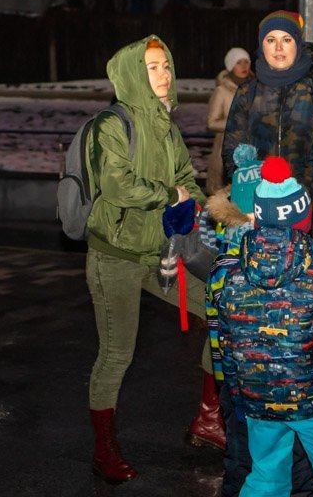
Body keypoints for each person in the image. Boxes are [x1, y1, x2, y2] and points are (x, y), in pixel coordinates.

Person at [84, 35, 216, 484]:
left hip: (161, 252)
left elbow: (187, 180)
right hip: (116, 256)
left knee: (222, 315)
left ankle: (209, 418)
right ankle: (104, 448)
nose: (163, 75)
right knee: (116, 354)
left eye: (165, 66)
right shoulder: (111, 126)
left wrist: (193, 201)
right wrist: (169, 196)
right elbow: (119, 188)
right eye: (151, 67)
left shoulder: (166, 125)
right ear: (130, 74)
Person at [218, 156, 313, 497]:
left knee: (266, 473)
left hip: (258, 398)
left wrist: (240, 396)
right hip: (312, 400)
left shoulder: (234, 276)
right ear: (303, 220)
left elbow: (228, 344)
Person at [204, 145, 313, 497]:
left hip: (234, 379)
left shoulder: (225, 256)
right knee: (278, 463)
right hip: (261, 379)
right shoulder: (241, 266)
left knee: (245, 460)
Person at [223, 10, 313, 238]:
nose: (279, 48)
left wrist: (291, 196)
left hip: (311, 211)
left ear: (297, 44)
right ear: (262, 46)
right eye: (271, 40)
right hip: (258, 211)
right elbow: (232, 149)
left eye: (286, 40)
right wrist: (251, 196)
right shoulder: (247, 92)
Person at [207, 47, 252, 194]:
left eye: (246, 62)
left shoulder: (256, 89)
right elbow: (211, 122)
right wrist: (236, 123)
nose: (244, 66)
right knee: (226, 198)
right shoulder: (222, 91)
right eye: (239, 62)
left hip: (253, 151)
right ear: (231, 65)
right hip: (227, 151)